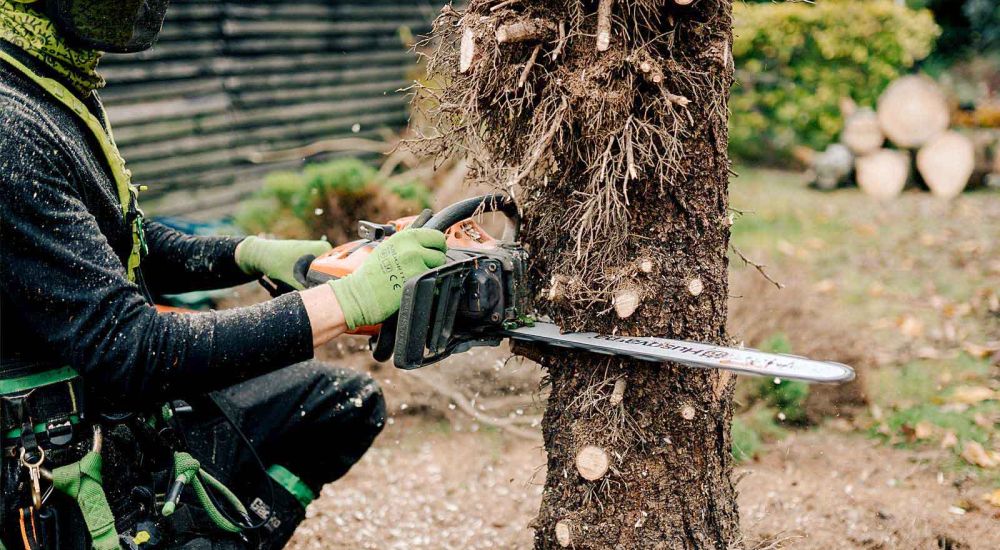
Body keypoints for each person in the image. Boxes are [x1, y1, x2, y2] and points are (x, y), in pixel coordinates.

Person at [0, 1, 448, 548]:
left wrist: (246, 254)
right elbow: (132, 349)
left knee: (340, 404)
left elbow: (121, 241)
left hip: (114, 414)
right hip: (52, 464)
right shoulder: (10, 126)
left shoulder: (47, 81)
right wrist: (347, 303)